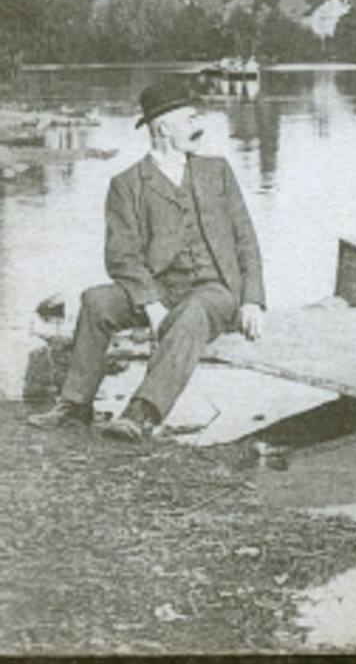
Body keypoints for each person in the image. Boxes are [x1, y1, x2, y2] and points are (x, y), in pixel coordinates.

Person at [27, 77, 265, 441]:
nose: (199, 127)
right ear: (165, 128)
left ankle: (143, 412)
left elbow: (246, 239)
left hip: (216, 292)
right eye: (191, 120)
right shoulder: (127, 184)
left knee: (193, 311)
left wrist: (252, 301)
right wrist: (151, 304)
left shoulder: (217, 171)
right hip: (159, 290)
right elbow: (121, 256)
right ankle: (74, 406)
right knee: (96, 301)